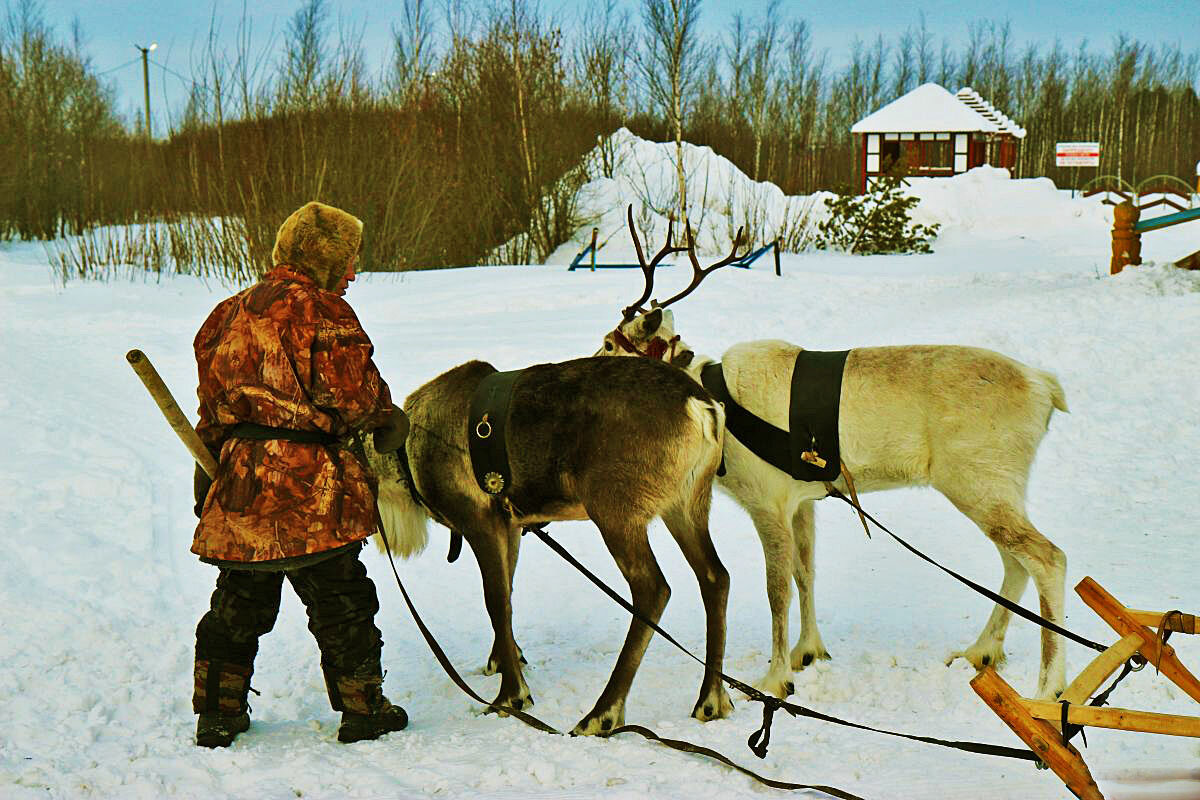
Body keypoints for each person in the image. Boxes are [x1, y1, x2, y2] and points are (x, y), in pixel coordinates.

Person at [189, 201, 410, 748]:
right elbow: (353, 394)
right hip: (312, 486)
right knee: (342, 602)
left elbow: (213, 400)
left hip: (240, 482)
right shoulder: (325, 311)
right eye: (351, 260)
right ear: (324, 258)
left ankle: (217, 714)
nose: (355, 273)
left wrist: (212, 460)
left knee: (238, 603)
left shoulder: (227, 313)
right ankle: (364, 710)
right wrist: (386, 418)